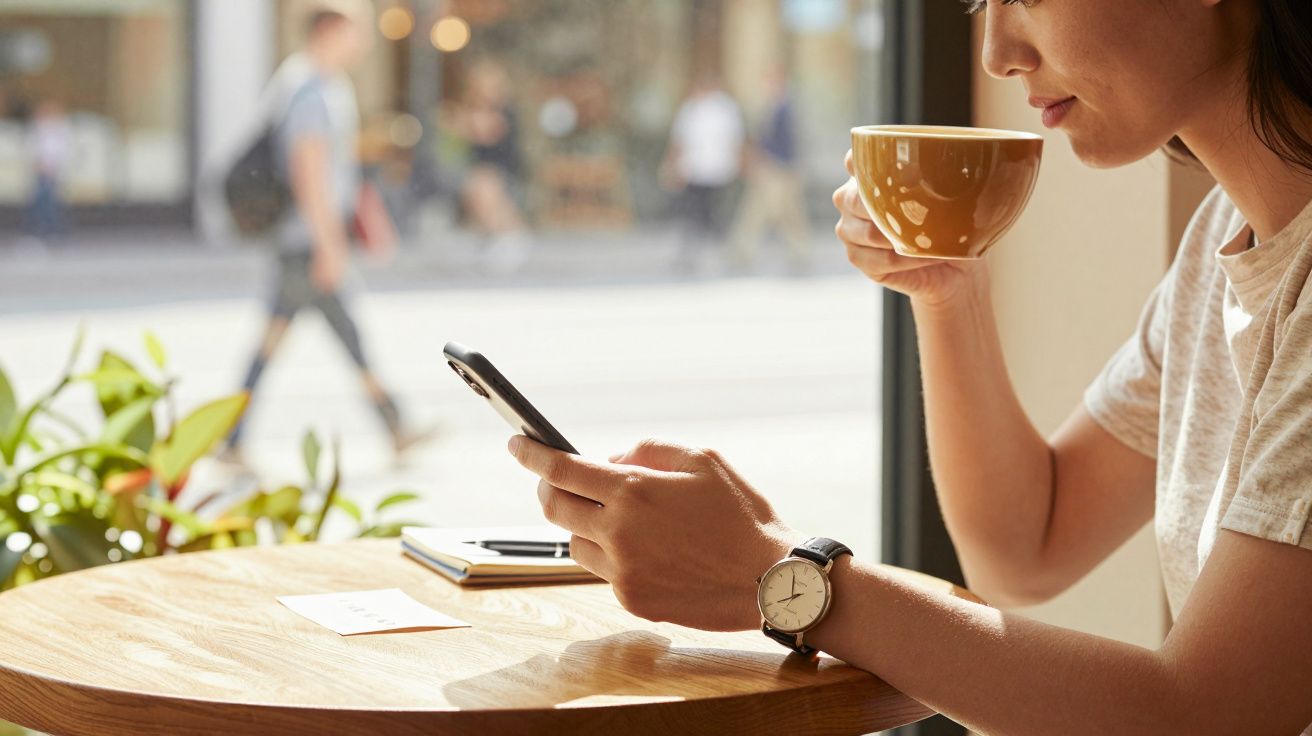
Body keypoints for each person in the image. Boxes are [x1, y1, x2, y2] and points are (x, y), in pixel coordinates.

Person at [506, 0, 1312, 733]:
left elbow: (1211, 715)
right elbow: (1026, 545)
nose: (997, 52)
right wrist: (944, 289)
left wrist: (782, 578)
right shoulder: (1223, 237)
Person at [228, 3, 416, 458]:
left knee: (278, 340)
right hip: (306, 239)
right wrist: (329, 242)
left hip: (304, 237)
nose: (365, 42)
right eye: (358, 31)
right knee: (345, 337)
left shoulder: (313, 82)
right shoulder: (311, 88)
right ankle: (396, 423)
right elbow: (309, 168)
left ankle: (230, 437)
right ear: (331, 30)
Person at [445, 58, 532, 275]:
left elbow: (487, 131)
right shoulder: (469, 110)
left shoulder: (504, 113)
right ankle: (487, 237)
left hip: (502, 173)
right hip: (474, 173)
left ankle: (509, 235)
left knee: (485, 187)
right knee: (480, 185)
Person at [728, 69, 811, 273]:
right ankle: (745, 248)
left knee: (779, 211)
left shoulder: (785, 110)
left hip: (779, 169)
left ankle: (797, 250)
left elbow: (789, 142)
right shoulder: (773, 108)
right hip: (771, 168)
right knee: (765, 210)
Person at [662, 75, 745, 270]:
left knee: (713, 213)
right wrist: (673, 166)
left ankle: (723, 251)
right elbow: (679, 141)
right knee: (694, 212)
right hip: (695, 169)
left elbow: (735, 140)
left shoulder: (724, 109)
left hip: (718, 170)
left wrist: (739, 164)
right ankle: (692, 252)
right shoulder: (691, 109)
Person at [24, 99, 72, 242]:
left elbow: (64, 151)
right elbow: (31, 149)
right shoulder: (38, 129)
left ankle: (51, 229)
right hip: (40, 171)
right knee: (40, 200)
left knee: (50, 200)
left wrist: (54, 166)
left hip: (54, 171)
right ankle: (42, 229)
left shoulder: (61, 130)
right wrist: (39, 164)